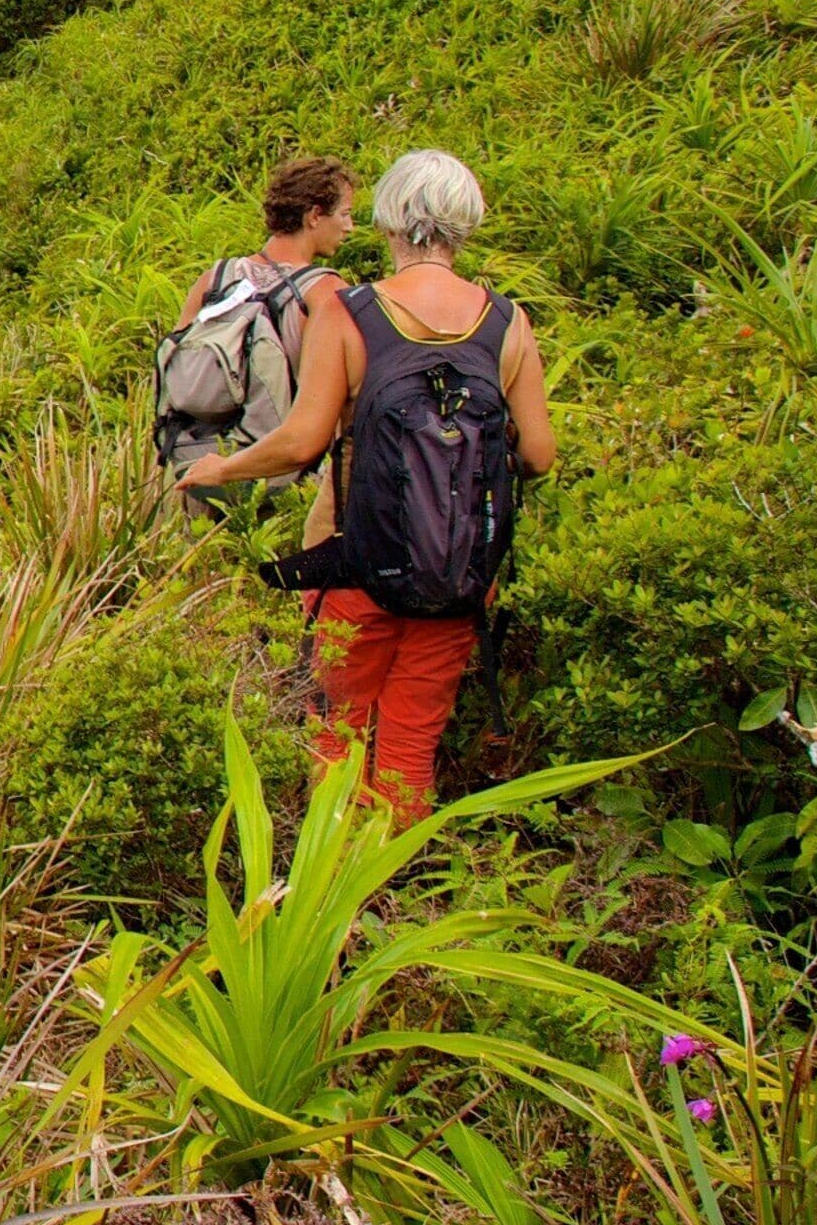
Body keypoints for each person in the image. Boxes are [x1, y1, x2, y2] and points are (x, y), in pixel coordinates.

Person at [179, 150, 556, 821]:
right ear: (465, 224)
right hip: (460, 568)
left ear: (390, 222)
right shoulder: (508, 322)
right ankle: (398, 878)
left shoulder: (352, 313)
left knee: (337, 724)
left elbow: (302, 440)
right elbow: (539, 455)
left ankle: (337, 886)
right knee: (413, 732)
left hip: (352, 555)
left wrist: (220, 468)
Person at [151, 157, 357, 497]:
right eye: (345, 214)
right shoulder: (324, 293)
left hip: (197, 470)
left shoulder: (215, 279)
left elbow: (171, 373)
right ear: (315, 215)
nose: (350, 227)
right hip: (281, 483)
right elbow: (340, 406)